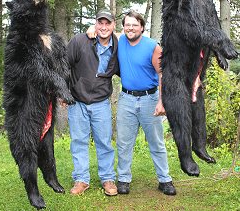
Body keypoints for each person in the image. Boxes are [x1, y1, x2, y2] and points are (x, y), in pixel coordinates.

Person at [116, 10, 176, 196]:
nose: (131, 28)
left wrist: (162, 102)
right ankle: (123, 179)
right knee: (124, 143)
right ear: (124, 27)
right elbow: (101, 30)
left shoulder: (152, 46)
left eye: (135, 25)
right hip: (126, 99)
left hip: (150, 99)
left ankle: (164, 179)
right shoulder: (120, 41)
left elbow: (162, 74)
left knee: (156, 143)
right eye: (128, 25)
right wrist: (90, 28)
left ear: (142, 27)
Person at [67, 10, 119, 196]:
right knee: (79, 141)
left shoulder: (119, 46)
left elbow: (135, 38)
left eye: (108, 23)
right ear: (95, 24)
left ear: (114, 25)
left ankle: (107, 178)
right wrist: (63, 93)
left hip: (101, 102)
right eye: (100, 23)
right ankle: (81, 179)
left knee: (104, 142)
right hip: (77, 101)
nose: (103, 27)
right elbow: (64, 66)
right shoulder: (79, 41)